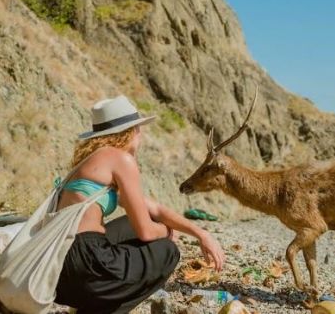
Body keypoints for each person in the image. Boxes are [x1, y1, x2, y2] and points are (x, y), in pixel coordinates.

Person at [53, 95, 226, 313]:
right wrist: (166, 232)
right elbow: (145, 231)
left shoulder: (90, 162)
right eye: (139, 128)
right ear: (132, 131)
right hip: (88, 265)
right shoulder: (120, 159)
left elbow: (153, 209)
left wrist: (201, 233)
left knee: (136, 223)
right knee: (167, 251)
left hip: (59, 269)